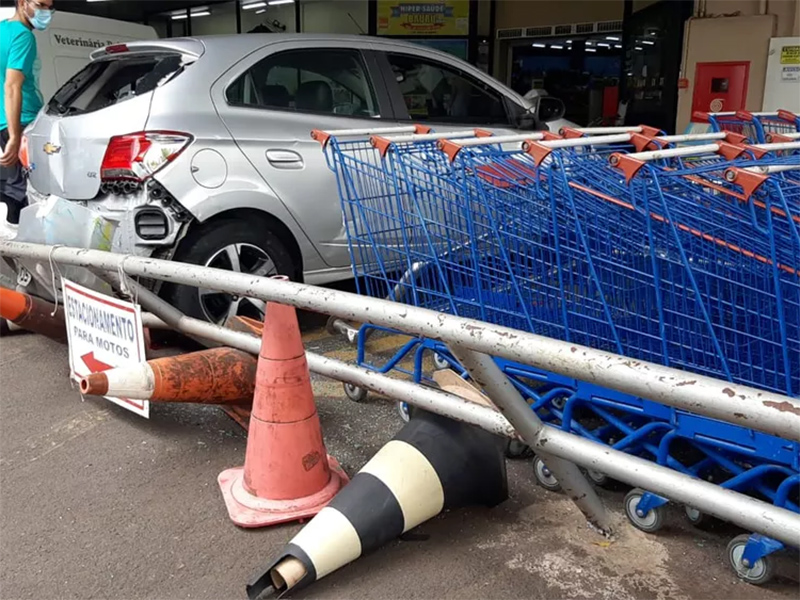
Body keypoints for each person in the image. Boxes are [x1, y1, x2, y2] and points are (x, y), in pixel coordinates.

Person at [0, 0, 53, 231]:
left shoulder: (2, 29)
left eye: (50, 7)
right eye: (41, 4)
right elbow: (13, 86)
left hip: (4, 121)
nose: (46, 12)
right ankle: (19, 247)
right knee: (25, 189)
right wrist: (14, 135)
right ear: (22, 3)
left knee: (11, 185)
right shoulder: (23, 36)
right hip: (21, 122)